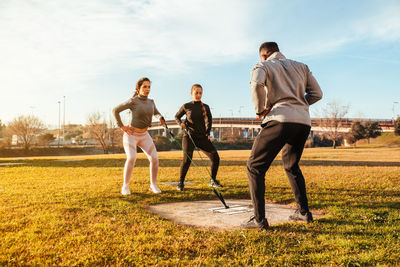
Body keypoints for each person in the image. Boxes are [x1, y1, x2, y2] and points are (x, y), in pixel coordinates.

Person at [242, 42, 323, 230]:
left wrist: (261, 110)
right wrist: (299, 105)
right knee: (292, 166)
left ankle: (259, 220)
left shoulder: (262, 66)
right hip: (302, 122)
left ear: (263, 55)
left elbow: (256, 84)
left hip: (279, 119)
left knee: (255, 167)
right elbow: (317, 94)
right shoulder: (302, 67)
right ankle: (303, 213)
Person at [113, 77, 165, 195]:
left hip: (144, 135)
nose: (147, 89)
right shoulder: (133, 101)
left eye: (149, 87)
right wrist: (122, 126)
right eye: (144, 87)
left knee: (155, 159)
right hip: (131, 134)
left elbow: (156, 112)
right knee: (131, 158)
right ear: (138, 88)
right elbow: (115, 110)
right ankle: (125, 186)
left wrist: (160, 117)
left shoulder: (151, 102)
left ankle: (153, 185)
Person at [175, 84, 222, 191]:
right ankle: (181, 182)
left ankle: (213, 180)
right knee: (187, 160)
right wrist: (180, 123)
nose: (198, 95)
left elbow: (209, 120)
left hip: (202, 137)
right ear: (191, 93)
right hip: (189, 136)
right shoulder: (186, 106)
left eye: (200, 93)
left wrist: (207, 133)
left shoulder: (205, 107)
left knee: (215, 158)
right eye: (196, 92)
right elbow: (176, 116)